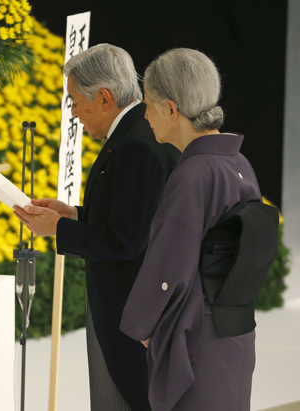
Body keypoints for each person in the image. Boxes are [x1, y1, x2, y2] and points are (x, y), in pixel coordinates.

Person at [13, 44, 180, 411]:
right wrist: (73, 215)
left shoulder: (136, 143)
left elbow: (126, 240)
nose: (73, 114)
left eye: (74, 101)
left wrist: (59, 230)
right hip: (139, 309)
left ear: (104, 98)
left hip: (132, 313)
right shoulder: (138, 131)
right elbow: (132, 217)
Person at [120, 48, 263, 410]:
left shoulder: (193, 174)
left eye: (148, 104)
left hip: (199, 337)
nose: (146, 115)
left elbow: (169, 262)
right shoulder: (238, 163)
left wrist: (145, 325)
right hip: (236, 328)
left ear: (171, 108)